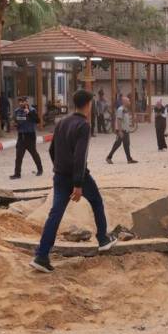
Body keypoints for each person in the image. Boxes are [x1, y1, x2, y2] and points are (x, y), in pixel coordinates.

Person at [30, 89, 118, 273]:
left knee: (55, 214)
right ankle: (103, 239)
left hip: (60, 175)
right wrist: (78, 184)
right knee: (96, 201)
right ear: (88, 104)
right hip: (78, 176)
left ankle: (41, 255)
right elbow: (80, 157)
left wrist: (59, 168)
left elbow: (51, 150)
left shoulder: (62, 122)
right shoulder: (83, 125)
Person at [10, 96, 43, 179]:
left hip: (30, 135)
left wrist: (28, 113)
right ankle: (17, 174)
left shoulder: (32, 110)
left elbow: (37, 120)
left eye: (24, 101)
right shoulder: (17, 111)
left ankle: (40, 169)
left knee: (34, 154)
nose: (22, 103)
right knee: (18, 156)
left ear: (27, 102)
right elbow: (15, 121)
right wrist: (15, 124)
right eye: (20, 102)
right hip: (21, 136)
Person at [105, 97, 137, 164]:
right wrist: (119, 131)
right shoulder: (120, 109)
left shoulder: (125, 109)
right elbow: (119, 120)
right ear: (124, 102)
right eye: (128, 101)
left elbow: (125, 119)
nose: (129, 102)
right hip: (122, 130)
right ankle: (109, 157)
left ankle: (129, 159)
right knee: (117, 144)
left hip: (125, 130)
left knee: (126, 144)